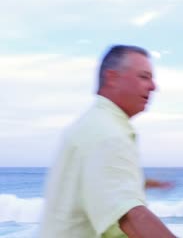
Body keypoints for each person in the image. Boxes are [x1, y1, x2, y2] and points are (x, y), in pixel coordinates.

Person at [39, 45, 175, 238]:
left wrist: (149, 183)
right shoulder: (108, 134)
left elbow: (109, 182)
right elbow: (131, 216)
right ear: (112, 78)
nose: (154, 86)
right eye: (144, 76)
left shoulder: (91, 124)